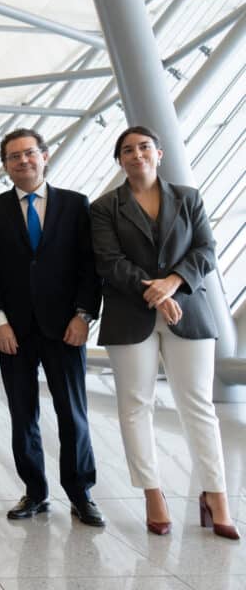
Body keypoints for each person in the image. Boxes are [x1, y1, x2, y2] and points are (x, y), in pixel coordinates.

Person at [91, 125, 238, 540]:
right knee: (136, 405)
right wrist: (154, 293)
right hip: (128, 312)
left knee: (197, 405)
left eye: (143, 147)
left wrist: (171, 284)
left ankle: (216, 495)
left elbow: (205, 250)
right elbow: (109, 261)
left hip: (187, 310)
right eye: (127, 150)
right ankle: (153, 494)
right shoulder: (104, 207)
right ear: (119, 160)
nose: (136, 155)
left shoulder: (187, 198)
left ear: (159, 153)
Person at [0, 128, 103, 526]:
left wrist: (83, 316)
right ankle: (35, 491)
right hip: (15, 331)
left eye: (29, 153)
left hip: (66, 328)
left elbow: (90, 266)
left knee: (73, 414)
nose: (23, 161)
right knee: (22, 413)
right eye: (14, 157)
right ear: (6, 165)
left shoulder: (76, 205)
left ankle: (81, 493)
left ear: (44, 156)